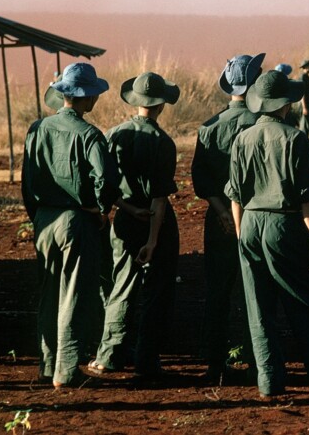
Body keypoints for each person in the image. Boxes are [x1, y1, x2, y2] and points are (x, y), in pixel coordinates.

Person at [227, 70, 309, 400]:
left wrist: (243, 233)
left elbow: (235, 195)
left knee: (259, 307)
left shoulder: (242, 138)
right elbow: (307, 198)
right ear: (287, 104)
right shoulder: (294, 138)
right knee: (306, 303)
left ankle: (269, 381)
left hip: (251, 223)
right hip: (283, 224)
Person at [22, 62, 121, 389]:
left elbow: (27, 181)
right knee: (73, 296)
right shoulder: (89, 135)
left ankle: (47, 365)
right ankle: (67, 370)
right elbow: (105, 179)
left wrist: (36, 215)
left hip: (44, 220)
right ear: (89, 98)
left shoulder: (37, 129)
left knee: (49, 293)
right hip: (76, 221)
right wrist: (99, 208)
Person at [90, 72, 180, 383]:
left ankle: (109, 356)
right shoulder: (164, 143)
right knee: (157, 292)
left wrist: (127, 208)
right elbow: (159, 198)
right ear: (161, 106)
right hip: (156, 224)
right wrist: (153, 240)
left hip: (126, 220)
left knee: (121, 286)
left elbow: (106, 186)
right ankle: (146, 359)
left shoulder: (114, 134)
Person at [191, 52, 264, 384]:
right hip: (256, 217)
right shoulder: (263, 124)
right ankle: (257, 361)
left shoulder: (209, 128)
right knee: (257, 291)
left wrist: (222, 212)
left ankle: (215, 365)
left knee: (218, 293)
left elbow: (200, 182)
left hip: (218, 221)